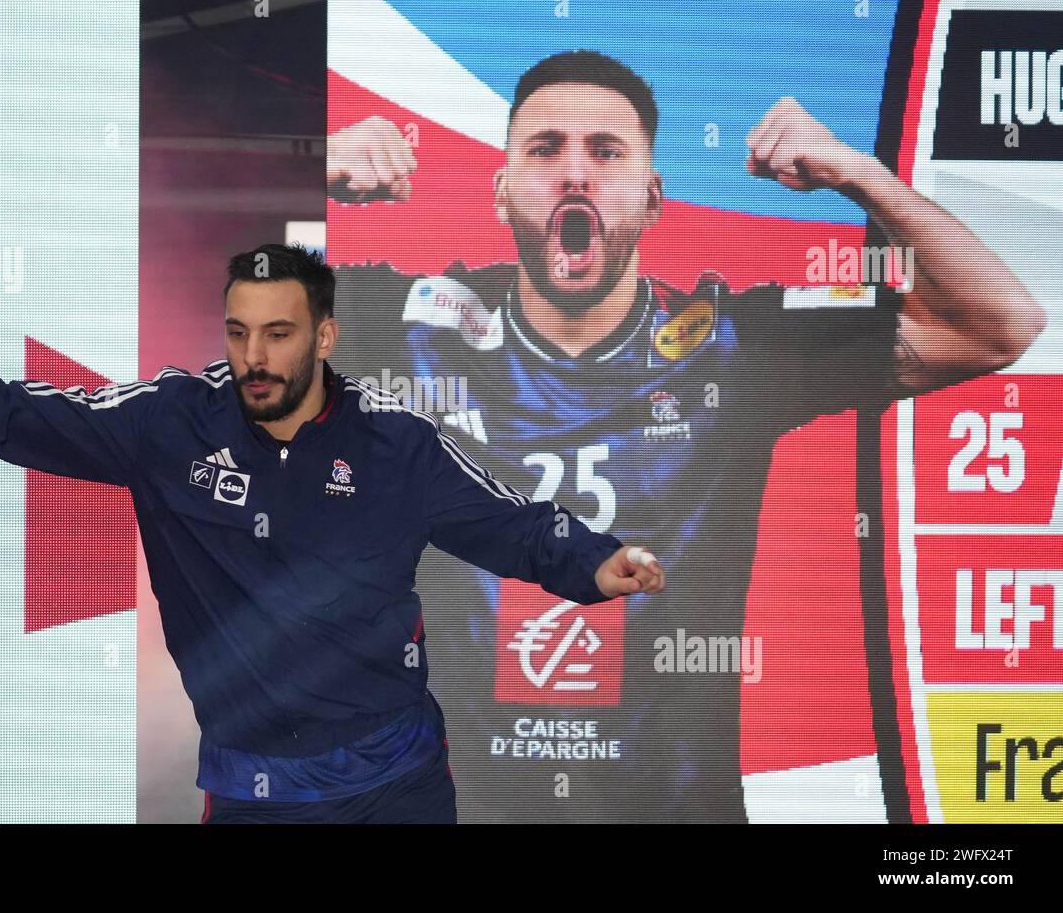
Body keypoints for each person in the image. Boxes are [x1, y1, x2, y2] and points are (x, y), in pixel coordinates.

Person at [324, 49, 1046, 822]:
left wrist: (857, 174)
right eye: (545, 150)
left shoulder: (733, 347)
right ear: (501, 193)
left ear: (653, 197)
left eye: (606, 152)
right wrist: (321, 172)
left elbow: (1000, 323)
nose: (576, 175)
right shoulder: (411, 330)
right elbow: (231, 351)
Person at [0, 243, 663, 824]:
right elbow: (5, 414)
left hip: (397, 783)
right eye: (238, 332)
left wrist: (594, 559)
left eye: (278, 333)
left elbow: (509, 520)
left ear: (325, 334)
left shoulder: (395, 440)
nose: (255, 357)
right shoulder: (170, 421)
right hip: (253, 789)